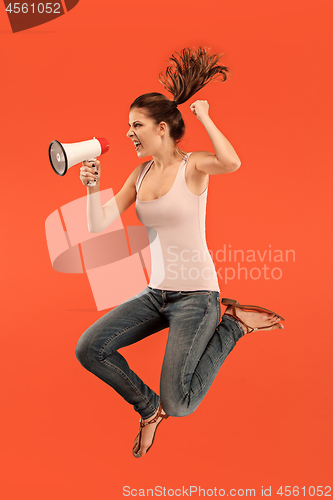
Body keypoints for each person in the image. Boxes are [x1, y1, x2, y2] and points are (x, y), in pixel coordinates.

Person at [75, 47, 284, 458]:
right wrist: (89, 187)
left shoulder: (194, 165)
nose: (129, 133)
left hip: (197, 298)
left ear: (163, 128)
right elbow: (97, 226)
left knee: (182, 404)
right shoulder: (140, 173)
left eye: (137, 125)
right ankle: (149, 410)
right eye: (128, 126)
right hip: (156, 294)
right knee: (90, 348)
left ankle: (234, 326)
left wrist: (204, 116)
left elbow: (233, 162)